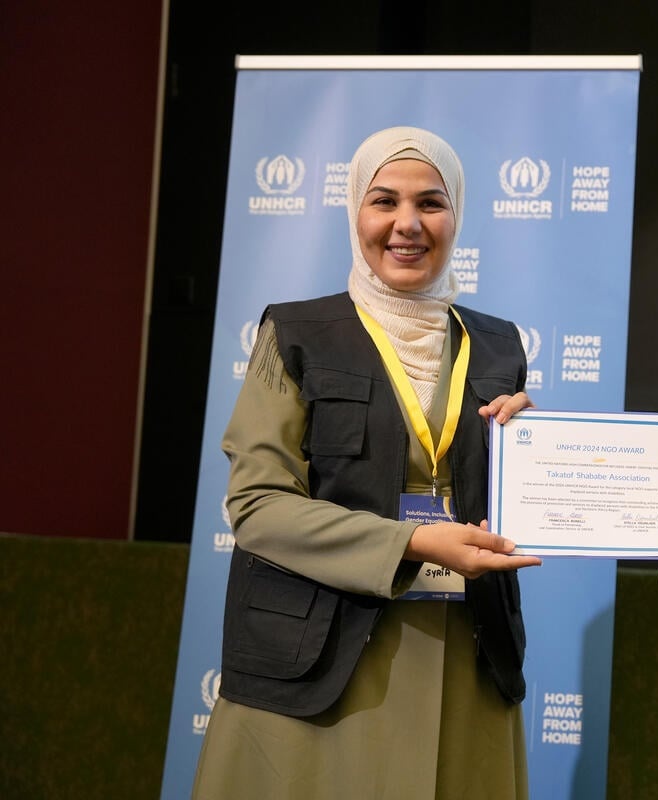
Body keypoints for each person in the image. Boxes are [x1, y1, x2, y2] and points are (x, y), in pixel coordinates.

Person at [192, 126, 542, 799]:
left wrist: (535, 452)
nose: (407, 224)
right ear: (355, 211)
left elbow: (508, 504)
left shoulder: (498, 345)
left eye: (431, 203)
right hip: (322, 669)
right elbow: (257, 508)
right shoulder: (293, 333)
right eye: (384, 201)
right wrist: (410, 541)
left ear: (457, 214)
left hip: (465, 660)